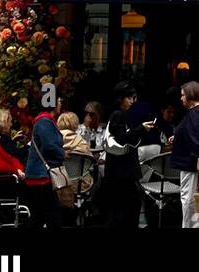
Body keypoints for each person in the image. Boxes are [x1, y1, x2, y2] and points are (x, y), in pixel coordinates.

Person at [170, 80, 199, 228]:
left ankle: (190, 225)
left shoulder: (196, 114)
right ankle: (198, 225)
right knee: (192, 198)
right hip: (191, 162)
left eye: (183, 95)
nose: (181, 98)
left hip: (190, 163)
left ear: (190, 95)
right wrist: (177, 136)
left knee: (188, 199)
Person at [103, 82, 151, 228]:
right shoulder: (118, 115)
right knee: (127, 208)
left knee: (122, 209)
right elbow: (122, 138)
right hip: (121, 173)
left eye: (133, 98)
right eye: (129, 98)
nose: (132, 101)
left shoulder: (118, 115)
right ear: (120, 99)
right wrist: (141, 129)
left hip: (119, 172)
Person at [24, 98, 66, 229]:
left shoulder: (43, 120)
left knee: (39, 216)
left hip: (39, 175)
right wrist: (63, 153)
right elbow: (49, 146)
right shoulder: (45, 121)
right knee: (53, 217)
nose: (60, 104)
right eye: (58, 101)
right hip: (41, 176)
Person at [56, 111, 95, 220]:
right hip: (78, 184)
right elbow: (90, 162)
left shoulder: (53, 141)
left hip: (58, 184)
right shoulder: (82, 143)